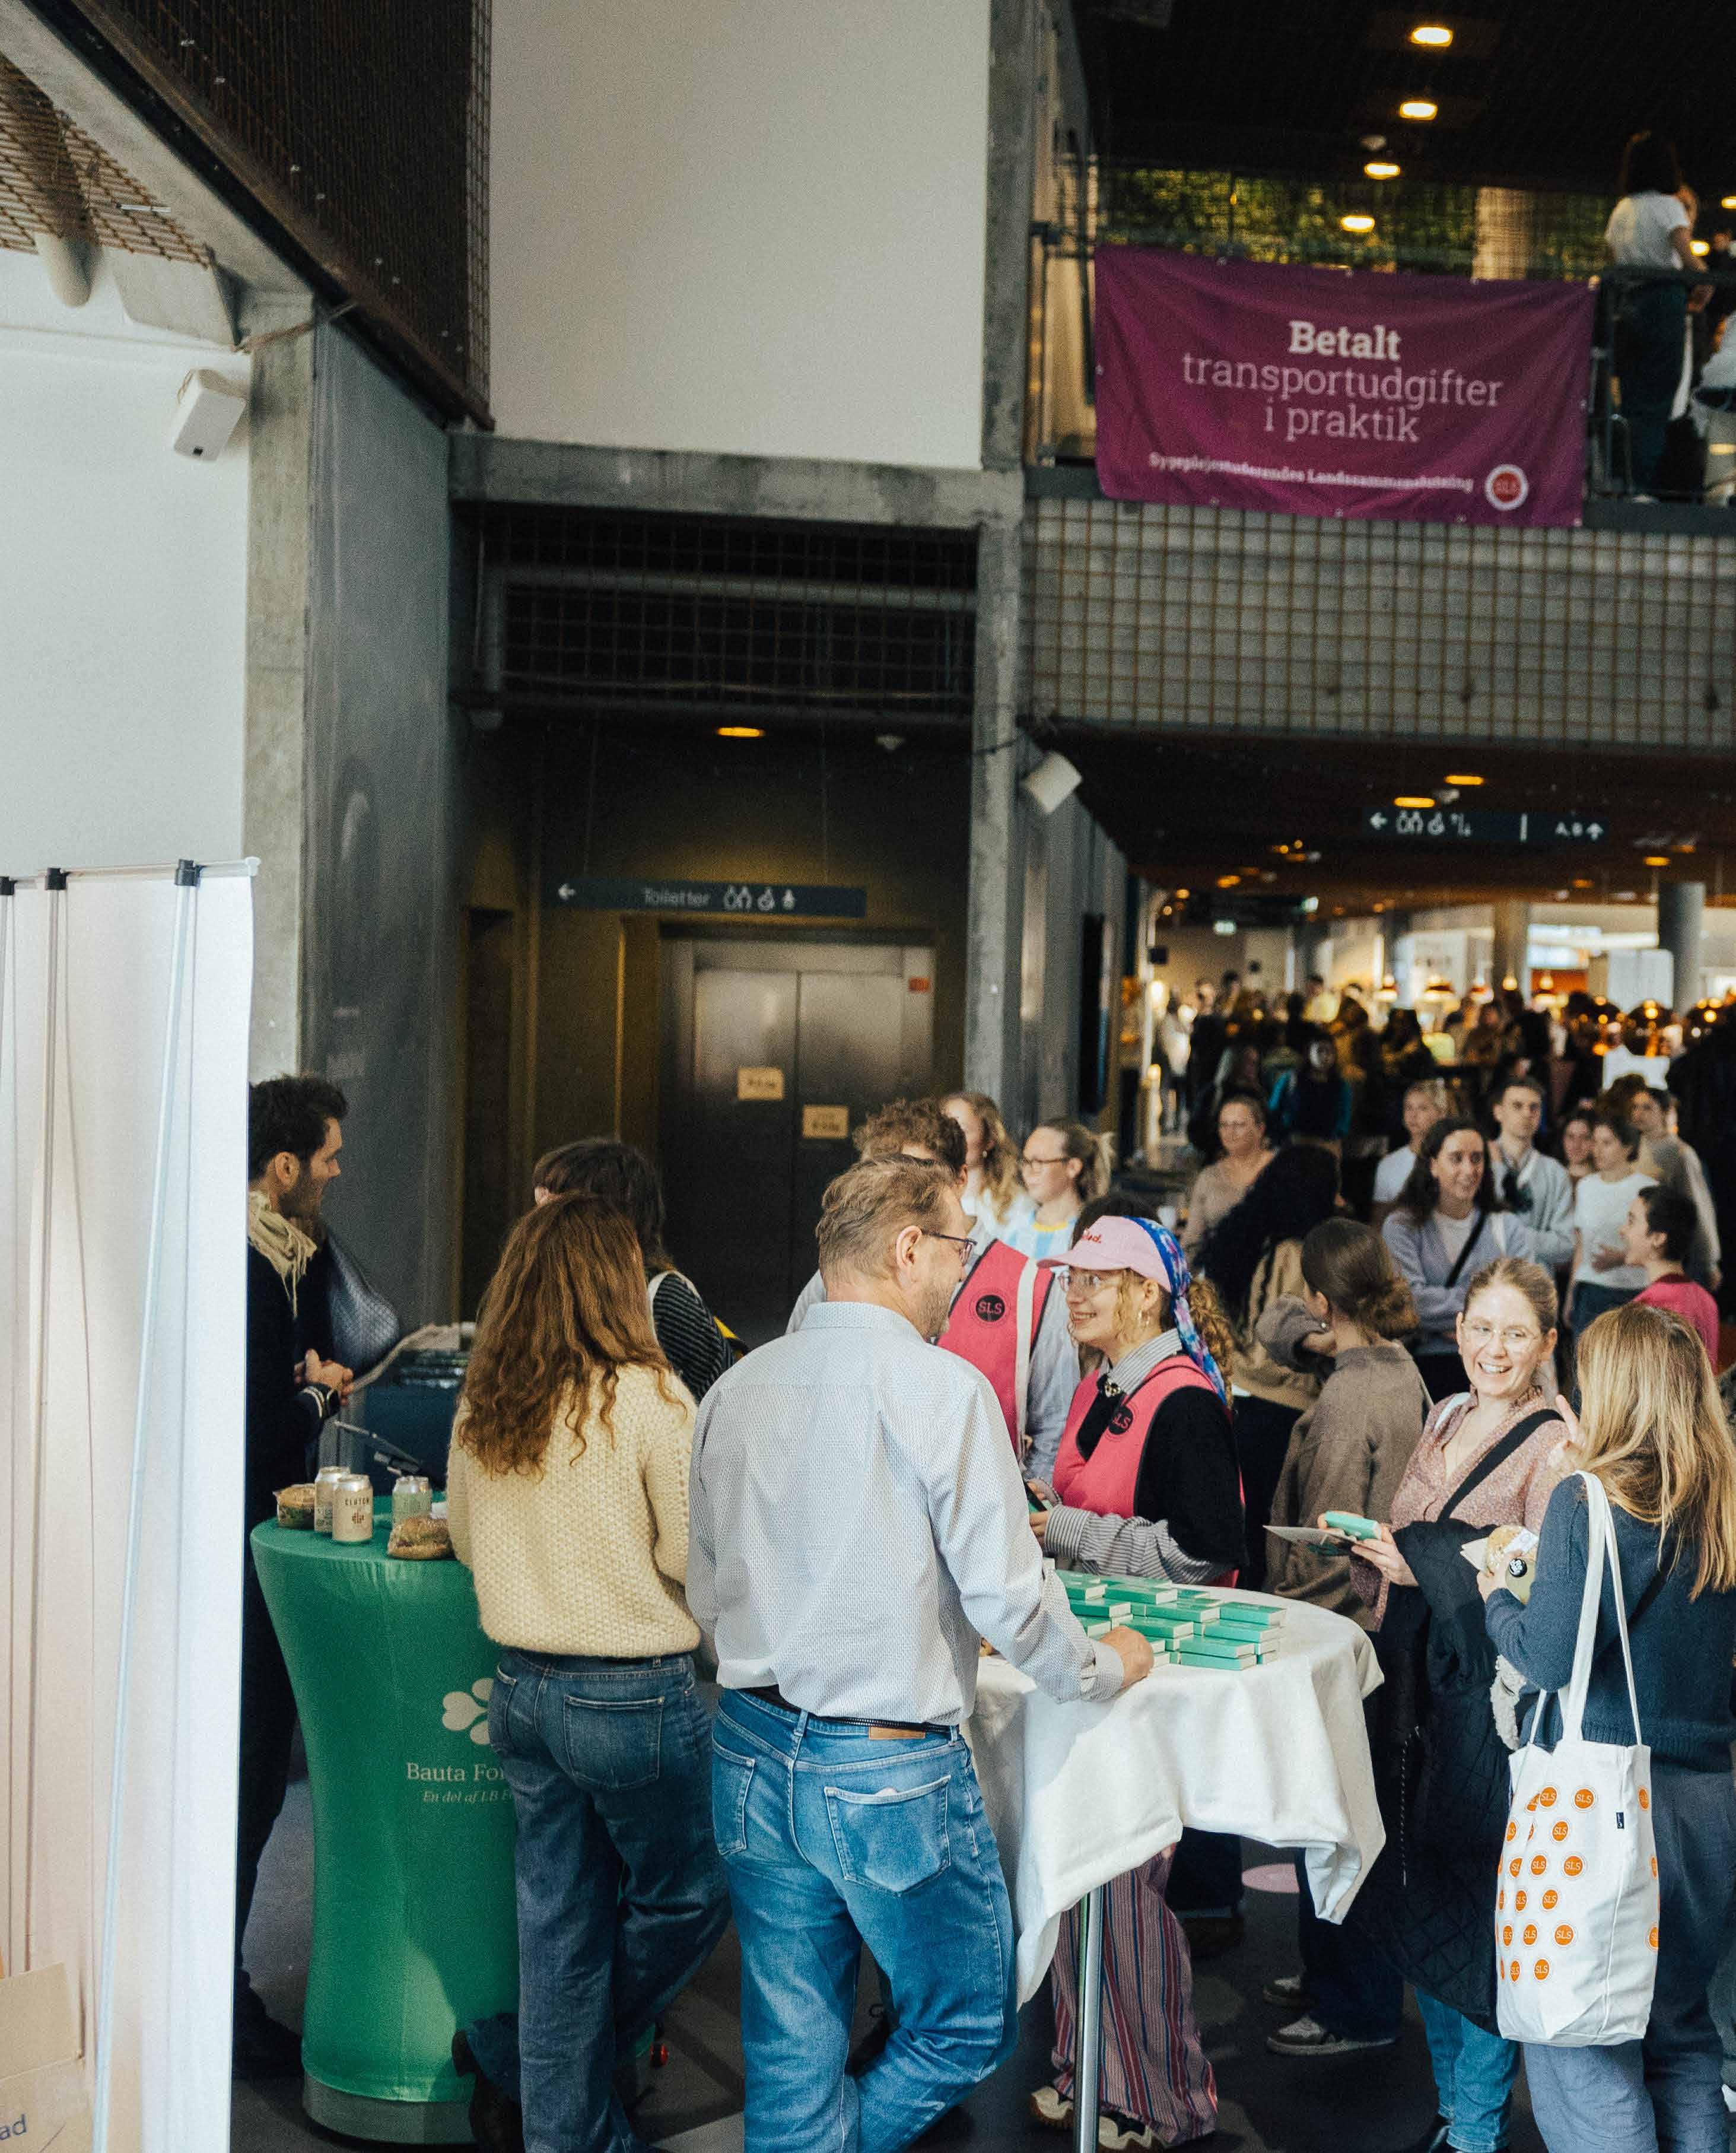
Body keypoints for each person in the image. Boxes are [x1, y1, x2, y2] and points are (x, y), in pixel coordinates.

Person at [690, 1157, 1153, 2153]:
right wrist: (1103, 1666)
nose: (963, 1272)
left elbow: (707, 1591)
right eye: (956, 1248)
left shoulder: (736, 1388)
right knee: (966, 2020)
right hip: (884, 1762)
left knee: (790, 2043)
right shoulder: (942, 1390)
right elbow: (1009, 1597)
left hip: (750, 1742)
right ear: (907, 1248)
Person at [447, 1196, 729, 2153]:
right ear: (616, 1281)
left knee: (558, 1925)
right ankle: (517, 2057)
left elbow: (465, 1541)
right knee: (693, 1888)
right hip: (631, 1696)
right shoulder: (653, 1398)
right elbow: (689, 1554)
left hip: (521, 1691)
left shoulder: (487, 1397)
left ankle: (543, 2095)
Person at [1480, 1304, 1736, 2153]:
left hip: (1601, 1805)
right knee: (1681, 2036)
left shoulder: (1586, 1501)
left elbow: (1547, 1658)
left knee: (1583, 2044)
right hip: (1705, 1802)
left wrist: (1496, 1597)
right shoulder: (1722, 1504)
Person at [1346, 1260, 1572, 2153]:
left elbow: (1543, 1586)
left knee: (1479, 1915)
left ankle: (1476, 2128)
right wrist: (1376, 1550)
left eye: (1515, 1333)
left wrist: (1427, 1560)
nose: (1493, 1349)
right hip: (1414, 1698)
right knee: (1419, 1899)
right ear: (1458, 1329)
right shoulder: (1442, 1414)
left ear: (1546, 1344)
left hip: (1487, 1714)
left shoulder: (1556, 1447)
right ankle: (1453, 2109)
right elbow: (1409, 1532)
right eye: (1481, 1328)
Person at [1026, 1214, 1241, 2147]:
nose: (1073, 1294)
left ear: (1146, 1293)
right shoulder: (1101, 1384)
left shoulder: (1183, 1401)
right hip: (1088, 1666)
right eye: (1070, 1278)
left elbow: (1205, 1553)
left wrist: (1064, 1531)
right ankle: (1087, 2073)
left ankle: (1159, 2100)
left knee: (1122, 1890)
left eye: (1096, 1279)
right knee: (1082, 1876)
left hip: (1151, 1679)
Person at [1257, 1222, 1428, 2060]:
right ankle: (1333, 1974)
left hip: (1342, 1634)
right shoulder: (1399, 1370)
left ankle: (1352, 2003)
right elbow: (1276, 1328)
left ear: (1323, 1299)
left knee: (1334, 1820)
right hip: (1385, 1631)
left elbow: (1322, 1543)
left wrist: (1283, 1623)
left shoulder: (1348, 1399)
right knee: (1353, 1817)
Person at [237, 1075, 352, 2079]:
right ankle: (221, 2001)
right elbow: (260, 1425)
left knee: (255, 1778)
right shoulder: (249, 1264)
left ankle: (219, 1991)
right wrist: (314, 1398)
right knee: (248, 1774)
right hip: (241, 1559)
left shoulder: (284, 1254)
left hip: (246, 1548)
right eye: (326, 1157)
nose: (336, 1172)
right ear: (284, 1166)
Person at [788, 1099, 1080, 1479]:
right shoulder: (836, 1279)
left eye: (913, 1179)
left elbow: (1056, 1427)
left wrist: (1018, 1501)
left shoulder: (1030, 1286)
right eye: (877, 1180)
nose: (892, 1197)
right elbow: (796, 1390)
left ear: (960, 1179)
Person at [1194, 1145, 1341, 1588]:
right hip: (1284, 1404)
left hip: (1238, 1397)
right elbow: (1292, 1341)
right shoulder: (1300, 1255)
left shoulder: (1244, 1239)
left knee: (1244, 1526)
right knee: (1272, 1535)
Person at [533, 1137, 732, 1401]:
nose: (541, 1226)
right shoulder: (549, 1288)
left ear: (609, 1216)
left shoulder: (664, 1296)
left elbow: (723, 1398)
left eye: (561, 1210)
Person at [1383, 1119, 1541, 1399]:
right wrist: (1486, 1314)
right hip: (1422, 1372)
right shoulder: (1402, 1227)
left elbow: (1528, 1299)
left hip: (1494, 1370)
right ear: (1433, 1165)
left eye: (1477, 1159)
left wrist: (1452, 1323)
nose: (1469, 1170)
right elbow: (1410, 1302)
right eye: (1456, 1158)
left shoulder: (1507, 1227)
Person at [1607, 132, 1699, 494]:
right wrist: (1705, 282)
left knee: (1632, 398)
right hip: (1664, 304)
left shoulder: (1622, 210)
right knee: (1658, 400)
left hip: (1629, 304)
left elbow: (1614, 259)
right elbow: (1688, 258)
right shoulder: (1668, 207)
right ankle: (1645, 486)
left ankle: (1624, 481)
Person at [1566, 1111, 1655, 1332]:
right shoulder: (1586, 1186)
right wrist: (1571, 1294)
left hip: (1632, 1290)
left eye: (1606, 1143)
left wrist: (1623, 1258)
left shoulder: (1647, 1188)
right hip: (1590, 1290)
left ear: (1627, 1147)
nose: (1597, 1150)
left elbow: (1657, 1246)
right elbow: (1581, 1245)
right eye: (1595, 1142)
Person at [1626, 1086, 1722, 1291]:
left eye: (1647, 1108)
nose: (1638, 1113)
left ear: (1664, 1112)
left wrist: (1709, 1261)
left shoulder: (1680, 1153)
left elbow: (1699, 1206)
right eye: (1635, 1107)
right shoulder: (1630, 1148)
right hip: (1638, 1250)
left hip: (1670, 1250)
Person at [1487, 1076, 1576, 1274]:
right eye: (1517, 1106)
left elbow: (1567, 1246)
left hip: (1537, 1284)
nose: (1527, 1113)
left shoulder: (1556, 1173)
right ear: (1498, 1112)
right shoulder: (1479, 1163)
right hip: (1488, 1279)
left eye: (1534, 1107)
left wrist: (1510, 1233)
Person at [1625, 1184, 1721, 1363]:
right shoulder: (1707, 1301)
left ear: (1658, 1238)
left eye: (1631, 1222)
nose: (1623, 1231)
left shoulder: (1647, 1305)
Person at [1002, 1117, 1113, 1263]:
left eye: (1038, 1162)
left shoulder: (1093, 1235)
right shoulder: (1014, 1229)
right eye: (1025, 1162)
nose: (1027, 1172)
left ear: (1072, 1167)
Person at [1182, 1090, 1275, 1257]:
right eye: (1224, 1125)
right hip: (1219, 1267)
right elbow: (1192, 1241)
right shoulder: (1209, 1177)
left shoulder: (1279, 1170)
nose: (1230, 1132)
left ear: (1260, 1129)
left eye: (1239, 1125)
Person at [943, 1090, 1028, 1233]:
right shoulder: (931, 1198)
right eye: (945, 1129)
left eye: (962, 1130)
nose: (950, 1139)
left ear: (989, 1140)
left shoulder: (1016, 1204)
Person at [1372, 1078, 1450, 1228]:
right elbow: (1378, 1221)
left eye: (1423, 1108)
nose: (1413, 1115)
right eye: (1409, 1108)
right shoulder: (1388, 1164)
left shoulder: (1454, 1161)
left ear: (1441, 1114)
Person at [1268, 1029, 1353, 1151]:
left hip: (1326, 1147)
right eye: (1320, 1051)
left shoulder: (1341, 1086)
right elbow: (1274, 1110)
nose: (1325, 1056)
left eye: (1329, 1052)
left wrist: (1334, 1139)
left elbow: (1344, 1119)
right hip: (1294, 1145)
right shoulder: (1291, 1080)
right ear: (1309, 1052)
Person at [1556, 1109, 1597, 1189]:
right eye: (1571, 1137)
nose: (1576, 1145)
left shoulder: (1605, 1181)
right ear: (1563, 1139)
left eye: (1585, 1138)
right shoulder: (1552, 1179)